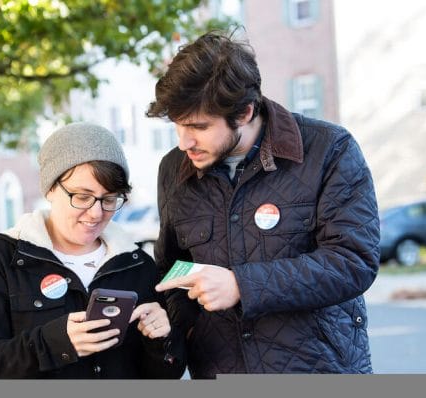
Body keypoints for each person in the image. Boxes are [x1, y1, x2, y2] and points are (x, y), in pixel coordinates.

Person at [147, 31, 380, 377]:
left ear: (244, 112)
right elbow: (172, 270)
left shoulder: (330, 149)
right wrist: (180, 332)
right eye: (178, 126)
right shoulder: (173, 170)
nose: (185, 142)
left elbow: (353, 261)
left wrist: (241, 284)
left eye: (198, 126)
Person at [0, 122, 185, 379]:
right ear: (51, 189)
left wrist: (161, 339)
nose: (96, 212)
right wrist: (55, 343)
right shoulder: (2, 258)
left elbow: (167, 373)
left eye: (109, 199)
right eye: (82, 196)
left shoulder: (138, 265)